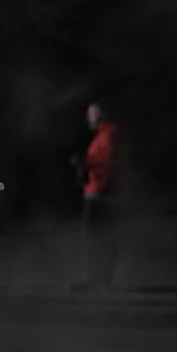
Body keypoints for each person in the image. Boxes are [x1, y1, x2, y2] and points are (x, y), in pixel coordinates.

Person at [71, 100, 123, 291]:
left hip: (101, 192)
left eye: (92, 113)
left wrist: (87, 163)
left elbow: (111, 161)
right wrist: (86, 166)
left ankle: (95, 278)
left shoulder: (109, 134)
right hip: (103, 191)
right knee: (104, 235)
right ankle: (104, 279)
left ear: (102, 114)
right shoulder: (103, 135)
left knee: (93, 235)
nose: (88, 118)